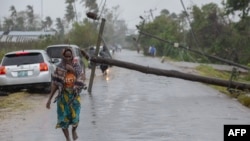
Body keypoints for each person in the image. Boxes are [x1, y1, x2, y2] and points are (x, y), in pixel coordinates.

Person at [46, 47, 85, 141]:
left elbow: (82, 78)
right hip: (63, 97)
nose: (67, 58)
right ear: (63, 56)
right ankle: (67, 138)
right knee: (63, 120)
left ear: (72, 56)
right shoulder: (59, 68)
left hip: (74, 97)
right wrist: (49, 99)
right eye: (66, 56)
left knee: (75, 117)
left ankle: (74, 130)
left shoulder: (76, 66)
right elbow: (55, 84)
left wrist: (72, 70)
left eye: (69, 56)